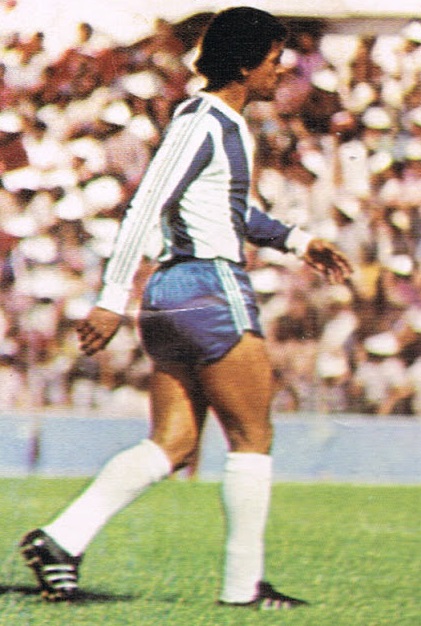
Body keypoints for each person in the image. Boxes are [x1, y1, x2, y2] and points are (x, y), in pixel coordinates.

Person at [20, 7, 352, 610]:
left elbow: (231, 210)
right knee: (253, 435)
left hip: (172, 294)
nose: (282, 71)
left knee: (172, 444)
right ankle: (243, 588)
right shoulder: (202, 120)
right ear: (245, 65)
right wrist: (109, 299)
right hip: (208, 285)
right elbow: (146, 203)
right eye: (275, 60)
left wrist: (300, 241)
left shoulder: (218, 122)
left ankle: (61, 540)